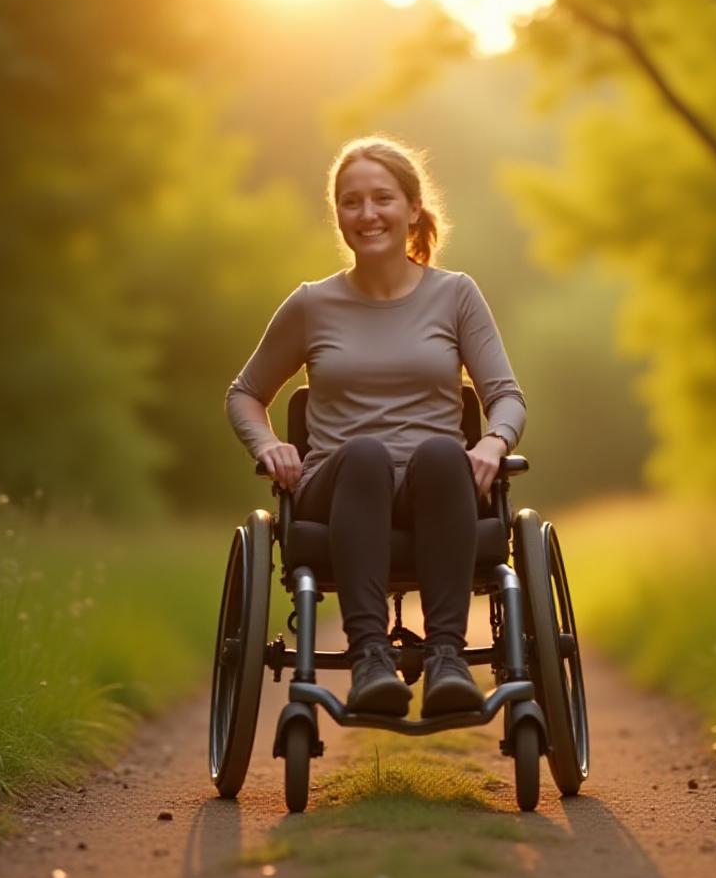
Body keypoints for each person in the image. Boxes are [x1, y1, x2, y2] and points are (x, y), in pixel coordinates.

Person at [225, 136, 525, 720]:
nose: (367, 214)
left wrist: (492, 441)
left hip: (431, 490)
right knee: (364, 454)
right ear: (338, 214)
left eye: (382, 198)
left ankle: (446, 658)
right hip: (337, 486)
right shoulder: (312, 304)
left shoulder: (456, 295)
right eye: (351, 202)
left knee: (443, 452)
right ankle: (369, 659)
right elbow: (245, 394)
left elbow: (506, 397)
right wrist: (269, 444)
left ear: (413, 208)